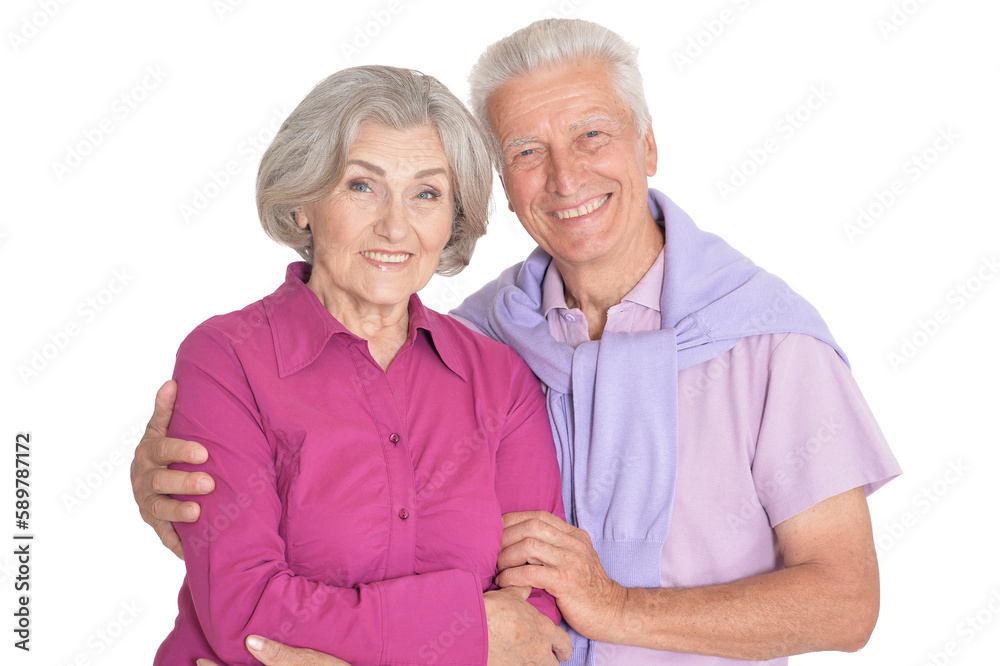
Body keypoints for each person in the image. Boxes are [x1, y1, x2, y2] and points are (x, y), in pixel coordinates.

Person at [134, 20, 901, 666]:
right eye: (528, 151)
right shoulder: (488, 336)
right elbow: (274, 566)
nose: (566, 176)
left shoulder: (767, 342)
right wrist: (168, 499)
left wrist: (614, 609)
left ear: (649, 147)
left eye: (592, 135)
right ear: (500, 182)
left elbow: (844, 602)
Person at [149, 64, 572, 666]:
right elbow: (244, 616)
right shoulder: (226, 359)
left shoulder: (500, 379)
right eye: (361, 186)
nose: (395, 226)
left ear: (452, 219)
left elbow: (532, 630)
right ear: (302, 203)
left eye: (426, 193)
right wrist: (467, 628)